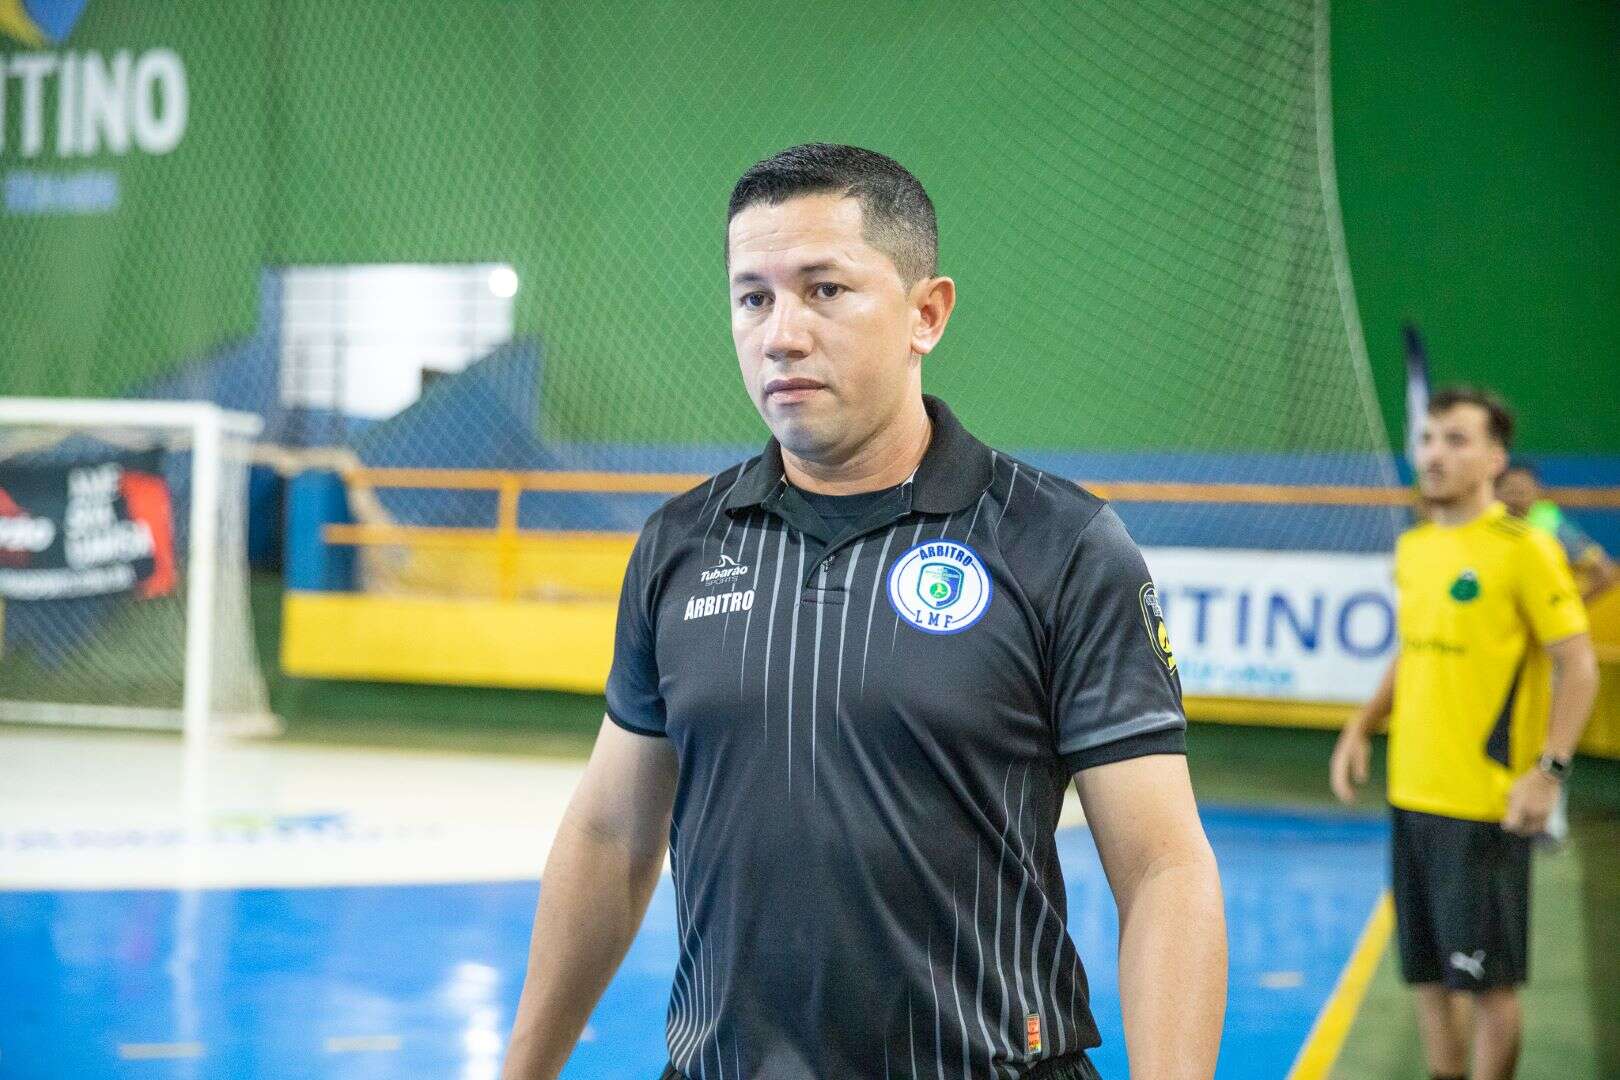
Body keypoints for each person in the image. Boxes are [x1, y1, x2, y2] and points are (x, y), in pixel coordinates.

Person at [501, 144, 1227, 1079]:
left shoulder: (1059, 544)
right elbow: (611, 836)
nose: (781, 335)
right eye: (752, 297)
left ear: (927, 314)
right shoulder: (680, 544)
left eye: (825, 290)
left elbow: (1164, 868)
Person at [1330, 386, 1599, 1080]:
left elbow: (1578, 666)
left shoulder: (1525, 549)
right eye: (1427, 439)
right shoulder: (1415, 548)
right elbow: (1412, 650)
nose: (1434, 454)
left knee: (1488, 986)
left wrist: (1548, 772)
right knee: (1426, 978)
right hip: (1410, 794)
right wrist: (1362, 724)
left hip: (1484, 806)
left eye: (1456, 440)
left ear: (1494, 457)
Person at [1497, 460, 1618, 605]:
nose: (1516, 499)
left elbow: (1604, 571)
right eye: (1510, 491)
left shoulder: (1552, 524)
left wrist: (1571, 606)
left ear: (1538, 491)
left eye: (1522, 491)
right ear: (1495, 492)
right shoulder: (1485, 523)